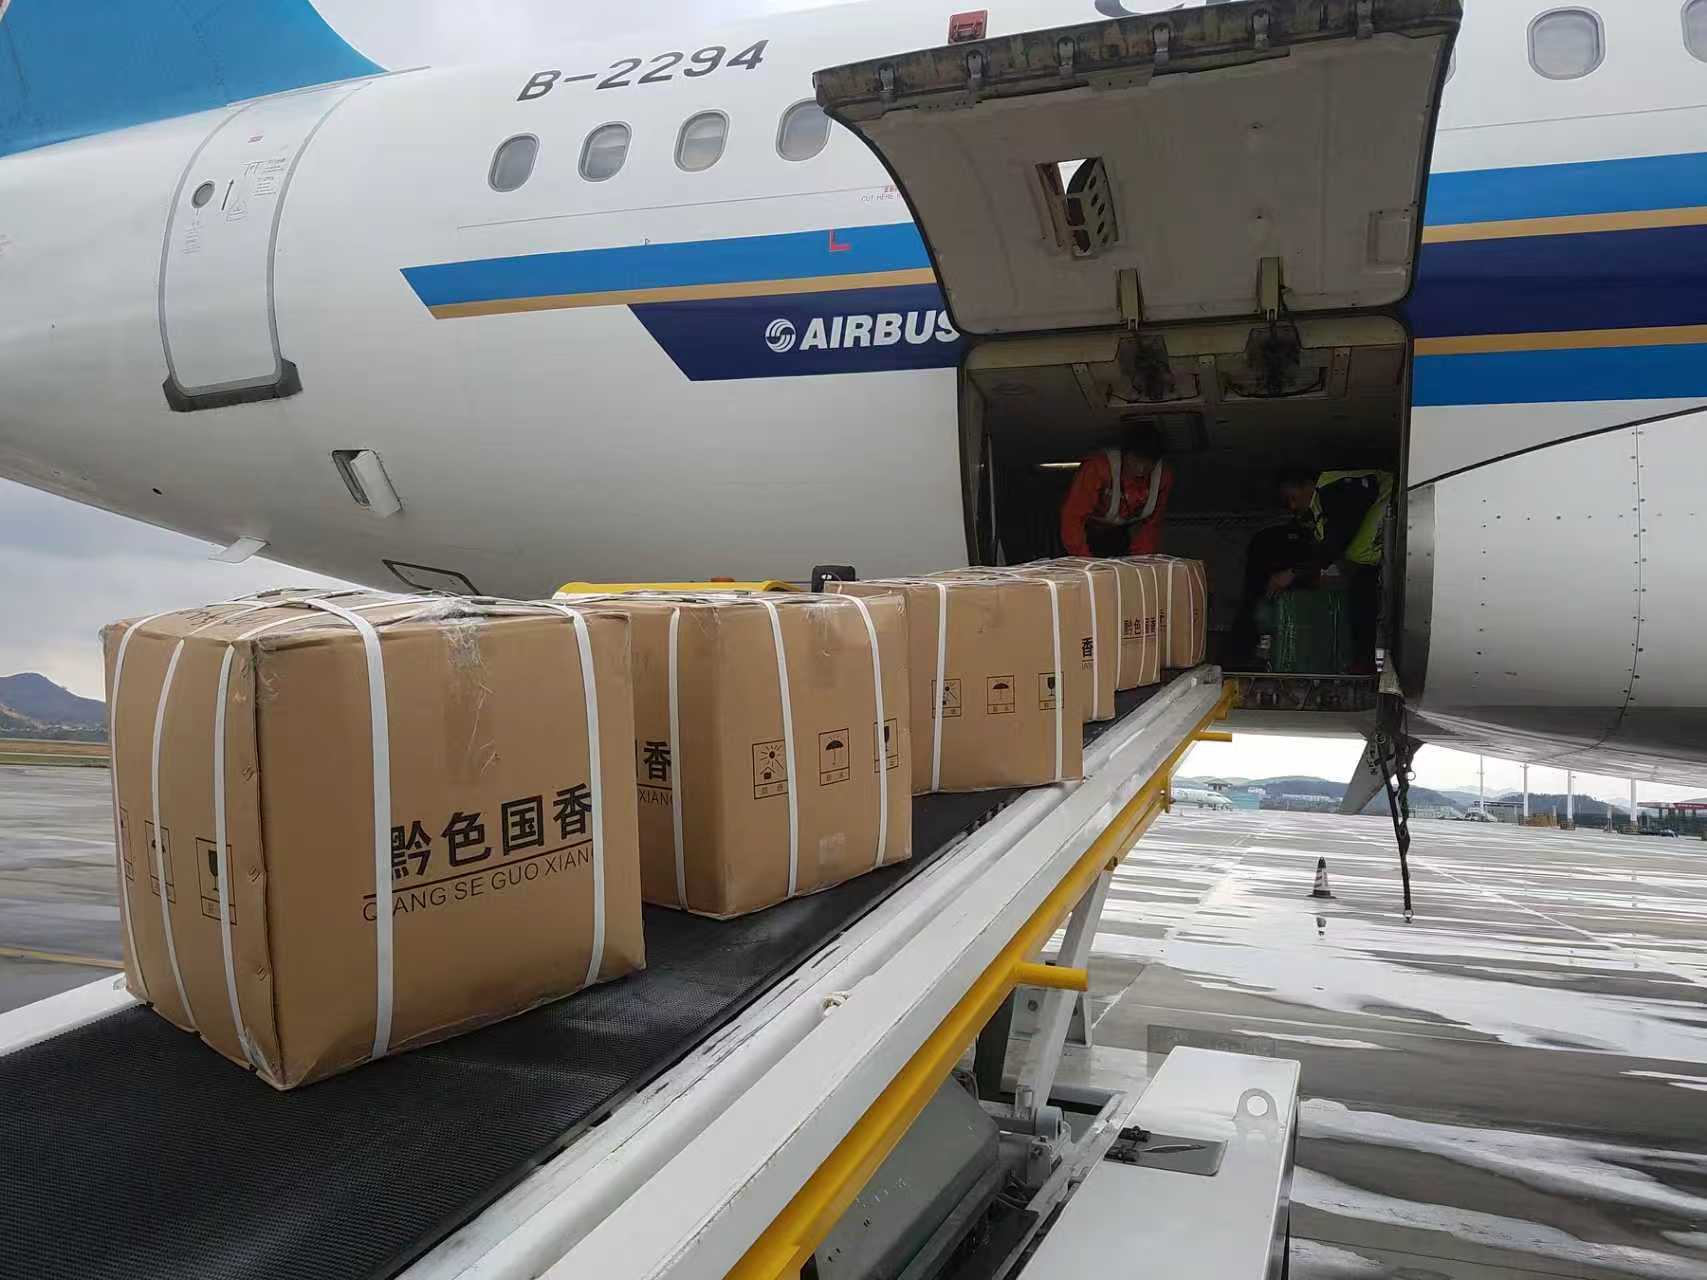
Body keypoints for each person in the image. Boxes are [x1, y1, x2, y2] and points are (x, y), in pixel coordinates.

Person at [1229, 468, 1394, 671]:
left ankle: (1364, 665)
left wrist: (1293, 573)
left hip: (1402, 540)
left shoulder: (1334, 488)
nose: (1292, 506)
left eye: (1292, 497)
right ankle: (1363, 665)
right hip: (1376, 561)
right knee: (1361, 600)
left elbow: (1337, 540)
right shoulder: (1318, 513)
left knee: (1366, 602)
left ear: (1307, 485)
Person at [1058, 423, 1174, 558]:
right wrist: (1084, 560)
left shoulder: (1162, 478)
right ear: (1125, 454)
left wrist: (1142, 562)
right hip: (1081, 531)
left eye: (1148, 463)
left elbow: (1151, 527)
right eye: (1136, 460)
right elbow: (1073, 516)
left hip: (1118, 533)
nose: (1141, 469)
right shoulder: (1098, 469)